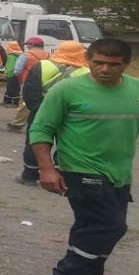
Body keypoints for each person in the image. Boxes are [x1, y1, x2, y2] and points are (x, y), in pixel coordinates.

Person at [29, 38, 139, 275]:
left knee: (89, 226)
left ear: (126, 64)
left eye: (113, 64)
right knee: (110, 226)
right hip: (80, 170)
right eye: (98, 62)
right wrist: (47, 169)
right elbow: (40, 130)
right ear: (87, 59)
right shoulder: (66, 90)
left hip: (120, 173)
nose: (105, 69)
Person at [16, 41, 88, 186]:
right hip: (70, 116)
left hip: (41, 112)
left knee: (36, 142)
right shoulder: (86, 71)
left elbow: (30, 91)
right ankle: (62, 175)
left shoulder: (42, 65)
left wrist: (38, 110)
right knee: (67, 145)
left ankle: (30, 175)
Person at [8, 37, 50, 132]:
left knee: (24, 103)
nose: (27, 46)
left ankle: (18, 124)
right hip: (45, 82)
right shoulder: (48, 55)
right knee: (43, 103)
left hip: (28, 82)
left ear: (32, 45)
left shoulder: (26, 55)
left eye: (28, 44)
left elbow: (17, 71)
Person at [2, 40, 23, 106]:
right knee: (13, 88)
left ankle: (15, 102)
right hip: (16, 74)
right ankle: (8, 100)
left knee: (12, 88)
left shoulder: (11, 55)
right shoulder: (19, 54)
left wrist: (7, 73)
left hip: (11, 74)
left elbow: (11, 66)